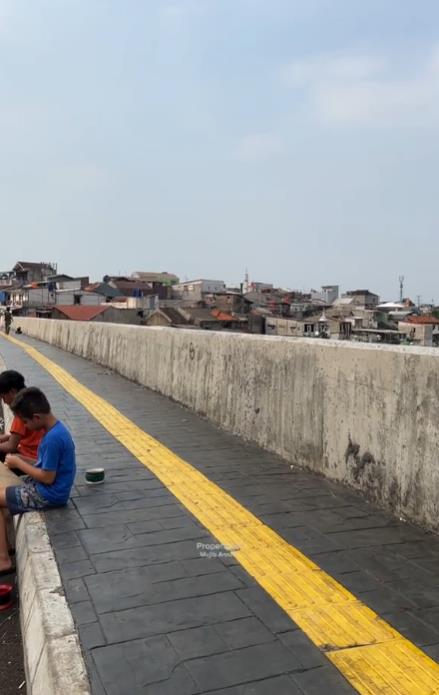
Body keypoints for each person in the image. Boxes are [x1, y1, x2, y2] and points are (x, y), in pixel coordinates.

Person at [0, 387, 76, 574]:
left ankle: (3, 560)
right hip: (47, 489)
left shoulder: (52, 439)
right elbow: (44, 465)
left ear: (36, 418)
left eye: (25, 422)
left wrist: (17, 461)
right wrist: (23, 458)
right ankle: (6, 547)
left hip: (49, 495)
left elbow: (47, 477)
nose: (24, 427)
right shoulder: (55, 430)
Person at [0, 371, 44, 466]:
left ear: (12, 392)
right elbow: (18, 437)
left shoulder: (21, 411)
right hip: (36, 454)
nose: (4, 401)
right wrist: (9, 437)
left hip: (30, 458)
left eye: (4, 397)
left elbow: (11, 446)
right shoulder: (33, 401)